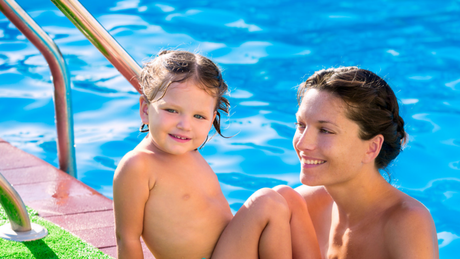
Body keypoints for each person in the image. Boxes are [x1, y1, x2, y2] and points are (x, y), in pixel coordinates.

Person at [113, 50, 321, 259]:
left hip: (230, 249)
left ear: (211, 119)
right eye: (171, 110)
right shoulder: (138, 164)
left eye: (198, 116)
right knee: (267, 201)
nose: (185, 125)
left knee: (287, 196)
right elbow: (127, 237)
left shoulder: (188, 151)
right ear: (146, 109)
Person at [275, 67, 439, 258]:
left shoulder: (407, 222)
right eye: (301, 125)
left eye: (325, 130)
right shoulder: (302, 206)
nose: (302, 143)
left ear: (371, 147)